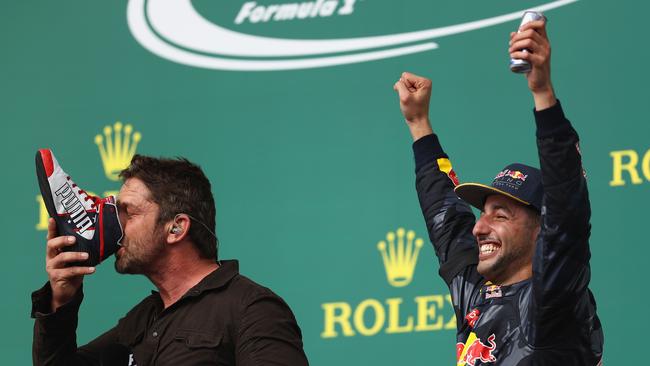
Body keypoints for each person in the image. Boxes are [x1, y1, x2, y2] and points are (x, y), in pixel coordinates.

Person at [393, 18, 603, 365]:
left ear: (542, 230)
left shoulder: (551, 303)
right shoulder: (474, 292)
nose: (480, 226)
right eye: (484, 213)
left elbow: (567, 213)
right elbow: (445, 218)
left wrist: (542, 92)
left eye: (500, 215)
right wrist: (419, 124)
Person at [31, 155, 309, 365]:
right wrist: (61, 300)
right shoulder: (142, 320)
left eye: (129, 212)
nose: (115, 224)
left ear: (176, 228)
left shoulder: (251, 308)